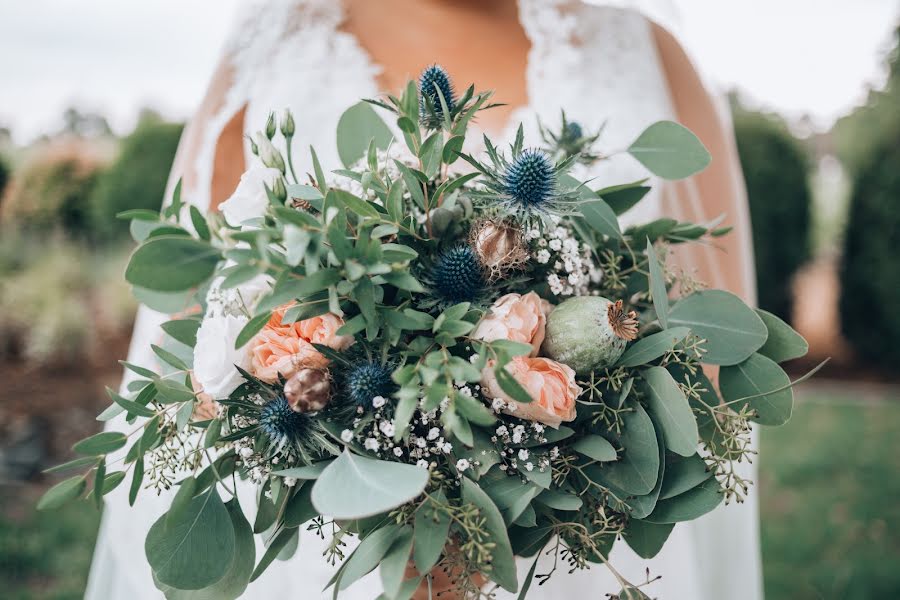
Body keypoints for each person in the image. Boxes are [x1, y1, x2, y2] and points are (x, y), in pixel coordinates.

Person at [87, 1, 760, 598]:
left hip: (571, 555)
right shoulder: (273, 45)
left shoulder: (646, 53)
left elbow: (705, 349)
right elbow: (204, 336)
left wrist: (534, 499)